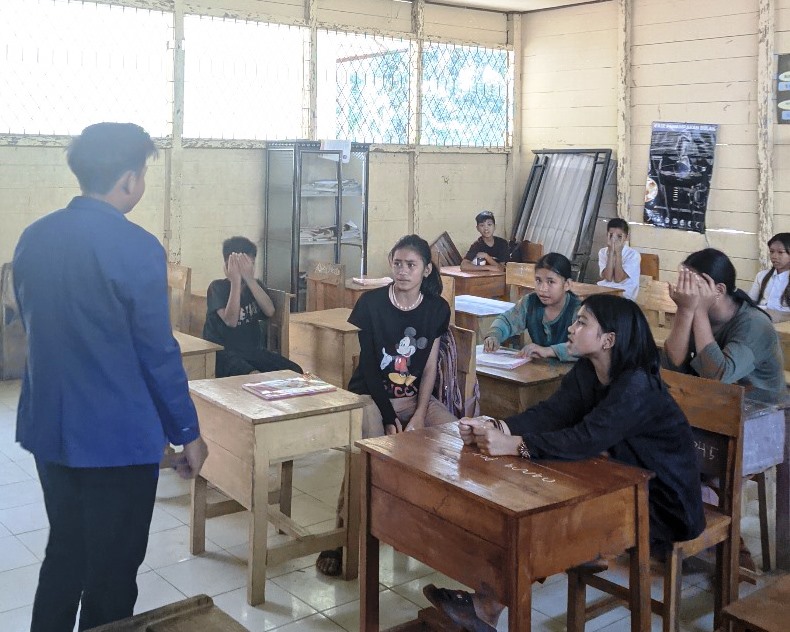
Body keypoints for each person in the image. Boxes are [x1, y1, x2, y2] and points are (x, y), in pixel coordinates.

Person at [12, 122, 208, 632]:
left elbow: (34, 323)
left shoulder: (33, 239)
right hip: (117, 442)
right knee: (114, 575)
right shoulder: (137, 249)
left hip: (51, 431)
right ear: (127, 180)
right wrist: (186, 432)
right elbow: (157, 354)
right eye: (142, 173)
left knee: (65, 555)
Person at [423, 295, 705, 631]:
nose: (571, 327)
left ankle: (487, 605)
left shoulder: (636, 385)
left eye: (582, 322)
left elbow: (587, 437)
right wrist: (499, 428)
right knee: (530, 509)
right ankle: (487, 603)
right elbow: (553, 413)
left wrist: (516, 445)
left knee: (547, 523)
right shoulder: (589, 370)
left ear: (608, 340)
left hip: (664, 504)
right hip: (618, 481)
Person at [316, 234, 457, 576]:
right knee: (373, 445)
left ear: (426, 270)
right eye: (398, 264)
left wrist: (421, 413)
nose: (403, 271)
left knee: (454, 437)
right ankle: (344, 534)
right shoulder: (371, 304)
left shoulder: (437, 308)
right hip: (370, 395)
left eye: (411, 265)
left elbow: (429, 367)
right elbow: (367, 367)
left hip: (414, 399)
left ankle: (431, 525)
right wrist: (392, 416)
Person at [662, 248, 784, 400]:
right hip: (713, 405)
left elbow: (718, 377)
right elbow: (671, 367)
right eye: (683, 283)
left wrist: (699, 310)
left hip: (760, 412)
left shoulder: (754, 324)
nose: (686, 292)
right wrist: (684, 311)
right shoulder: (692, 310)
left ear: (719, 290)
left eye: (692, 285)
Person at [202, 236, 302, 377]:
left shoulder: (255, 286)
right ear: (228, 265)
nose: (249, 268)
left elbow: (269, 311)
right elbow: (231, 321)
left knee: (295, 371)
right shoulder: (217, 287)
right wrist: (235, 281)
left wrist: (249, 279)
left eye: (251, 264)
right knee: (253, 376)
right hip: (224, 354)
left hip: (253, 351)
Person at [483, 252, 580, 362]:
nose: (543, 288)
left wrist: (548, 351)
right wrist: (494, 335)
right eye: (538, 280)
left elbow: (582, 346)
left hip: (570, 373)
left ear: (567, 284)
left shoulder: (578, 310)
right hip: (539, 370)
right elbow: (507, 321)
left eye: (551, 282)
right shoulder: (530, 302)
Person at [597, 217, 641, 300]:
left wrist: (618, 253)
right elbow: (608, 277)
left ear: (626, 237)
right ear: (607, 235)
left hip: (625, 292)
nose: (614, 239)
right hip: (605, 289)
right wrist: (610, 252)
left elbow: (618, 279)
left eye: (619, 236)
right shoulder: (602, 252)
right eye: (611, 235)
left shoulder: (633, 255)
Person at [748, 232, 790, 314]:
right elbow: (751, 301)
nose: (774, 256)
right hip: (763, 320)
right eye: (771, 251)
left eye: (780, 252)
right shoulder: (761, 276)